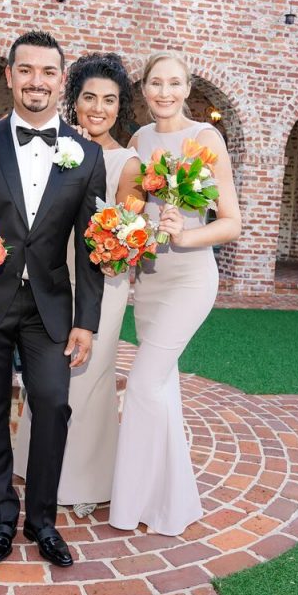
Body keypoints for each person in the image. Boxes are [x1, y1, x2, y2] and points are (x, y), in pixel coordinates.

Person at [0, 31, 106, 567]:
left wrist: (88, 322)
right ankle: (1, 520)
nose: (37, 81)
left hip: (51, 307)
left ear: (62, 80)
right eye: (26, 70)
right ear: (9, 77)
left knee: (54, 405)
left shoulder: (88, 154)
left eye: (48, 72)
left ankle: (42, 522)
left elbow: (91, 247)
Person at [108, 52, 242, 536]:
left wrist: (183, 233)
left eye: (174, 83)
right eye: (155, 84)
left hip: (189, 278)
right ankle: (169, 503)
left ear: (188, 89)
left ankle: (130, 501)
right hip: (150, 278)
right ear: (143, 90)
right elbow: (132, 205)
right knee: (162, 389)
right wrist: (133, 227)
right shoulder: (140, 140)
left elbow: (231, 222)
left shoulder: (206, 139)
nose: (164, 92)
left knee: (143, 384)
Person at [7, 53, 143, 519]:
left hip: (101, 278)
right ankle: (34, 464)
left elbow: (124, 232)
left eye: (109, 100)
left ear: (120, 107)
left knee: (87, 380)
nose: (98, 108)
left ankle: (81, 480)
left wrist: (120, 240)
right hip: (50, 274)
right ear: (75, 99)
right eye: (89, 98)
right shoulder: (59, 143)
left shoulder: (128, 163)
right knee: (52, 379)